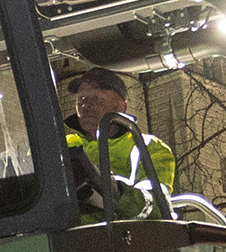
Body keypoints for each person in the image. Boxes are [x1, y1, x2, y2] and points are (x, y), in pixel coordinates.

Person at [64, 67, 174, 216]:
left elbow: (156, 206)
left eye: (96, 98)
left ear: (122, 107)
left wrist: (117, 191)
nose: (86, 105)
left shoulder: (147, 147)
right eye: (81, 99)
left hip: (116, 235)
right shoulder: (61, 146)